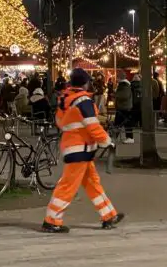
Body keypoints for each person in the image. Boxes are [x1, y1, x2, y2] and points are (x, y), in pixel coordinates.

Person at [42, 68, 123, 233]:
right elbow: (92, 125)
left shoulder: (65, 99)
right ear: (86, 82)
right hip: (81, 148)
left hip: (73, 146)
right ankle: (51, 220)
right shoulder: (83, 100)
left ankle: (108, 215)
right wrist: (107, 141)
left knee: (92, 182)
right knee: (68, 185)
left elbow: (60, 122)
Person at [114, 76, 134, 143]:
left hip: (124, 108)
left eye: (117, 78)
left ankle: (129, 137)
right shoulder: (124, 86)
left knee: (119, 123)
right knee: (123, 123)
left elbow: (124, 96)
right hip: (124, 107)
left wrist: (116, 94)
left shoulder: (124, 86)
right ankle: (128, 137)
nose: (116, 79)